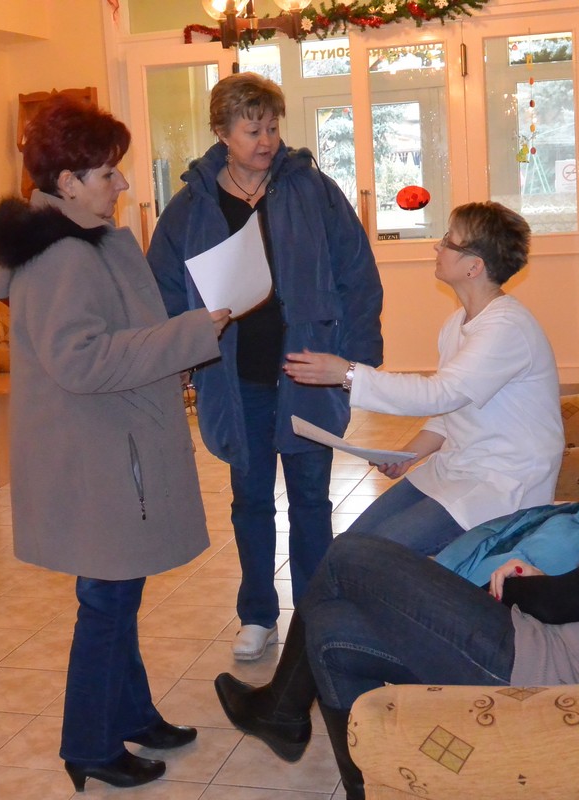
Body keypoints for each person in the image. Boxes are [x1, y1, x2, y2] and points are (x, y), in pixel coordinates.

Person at [215, 347, 579, 799]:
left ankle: (282, 711)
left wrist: (518, 584)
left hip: (548, 662)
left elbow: (565, 601)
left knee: (351, 555)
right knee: (333, 629)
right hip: (549, 642)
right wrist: (534, 580)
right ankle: (341, 768)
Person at [0, 94, 230, 792]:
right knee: (107, 599)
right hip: (96, 459)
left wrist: (180, 337)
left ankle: (131, 712)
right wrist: (187, 336)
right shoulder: (63, 257)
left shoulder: (90, 239)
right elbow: (82, 361)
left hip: (112, 447)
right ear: (67, 184)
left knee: (118, 592)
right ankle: (88, 744)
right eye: (107, 173)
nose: (122, 183)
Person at [148, 72, 384, 661]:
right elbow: (165, 288)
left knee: (311, 498)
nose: (267, 140)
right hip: (237, 376)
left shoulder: (312, 188)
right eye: (253, 130)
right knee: (250, 499)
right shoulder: (193, 204)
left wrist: (356, 361)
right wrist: (180, 353)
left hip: (307, 369)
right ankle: (257, 615)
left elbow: (357, 272)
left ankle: (314, 616)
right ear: (222, 133)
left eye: (273, 127)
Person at [283, 200, 564, 556]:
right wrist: (409, 454)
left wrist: (347, 373)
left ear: (474, 266)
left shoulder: (507, 327)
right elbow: (451, 410)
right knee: (348, 548)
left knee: (368, 558)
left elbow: (440, 394)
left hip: (503, 481)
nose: (437, 246)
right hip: (456, 469)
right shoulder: (458, 323)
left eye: (448, 240)